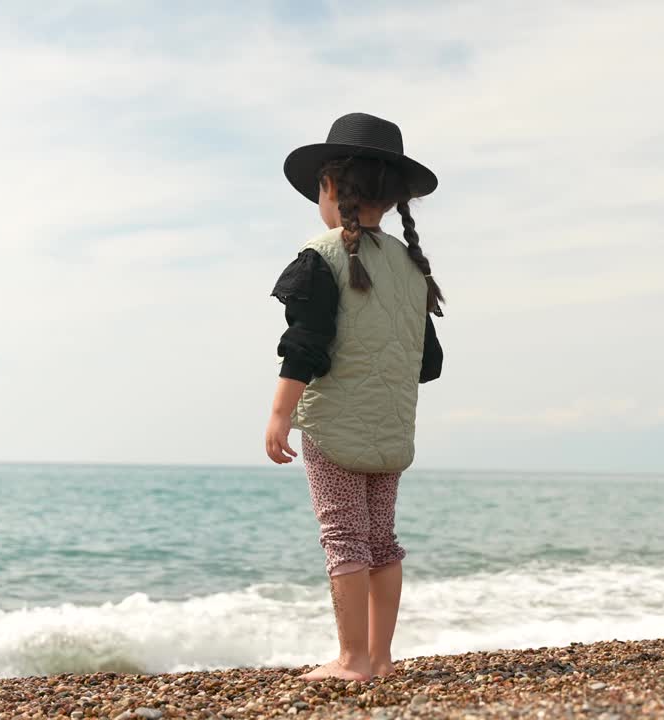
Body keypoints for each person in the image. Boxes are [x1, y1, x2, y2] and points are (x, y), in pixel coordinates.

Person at [264, 112, 444, 681]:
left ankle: (351, 660)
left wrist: (279, 414)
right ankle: (382, 658)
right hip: (392, 430)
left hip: (334, 428)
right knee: (381, 539)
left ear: (331, 188)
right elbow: (428, 362)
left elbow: (306, 345)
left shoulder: (323, 257)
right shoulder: (412, 269)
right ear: (391, 200)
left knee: (344, 537)